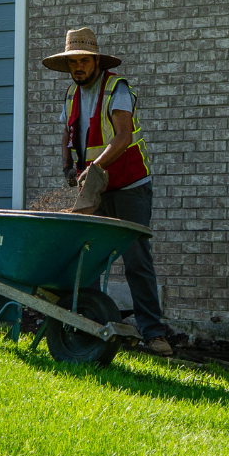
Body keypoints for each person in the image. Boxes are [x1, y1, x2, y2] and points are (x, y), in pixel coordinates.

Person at [42, 27, 173, 357]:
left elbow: (123, 136)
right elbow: (66, 134)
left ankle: (153, 333)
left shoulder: (117, 89)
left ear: (97, 61)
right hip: (95, 188)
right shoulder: (71, 95)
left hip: (130, 186)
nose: (78, 67)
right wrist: (68, 167)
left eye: (84, 61)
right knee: (84, 258)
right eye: (73, 62)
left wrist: (93, 167)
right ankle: (86, 324)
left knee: (136, 260)